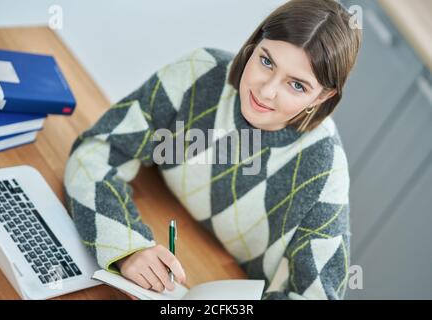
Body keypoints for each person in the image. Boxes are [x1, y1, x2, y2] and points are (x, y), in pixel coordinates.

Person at [63, 0, 361, 300]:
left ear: (322, 96)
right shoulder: (199, 72)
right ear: (255, 44)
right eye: (267, 61)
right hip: (159, 229)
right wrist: (127, 246)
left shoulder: (325, 170)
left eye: (296, 85)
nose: (266, 91)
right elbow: (95, 150)